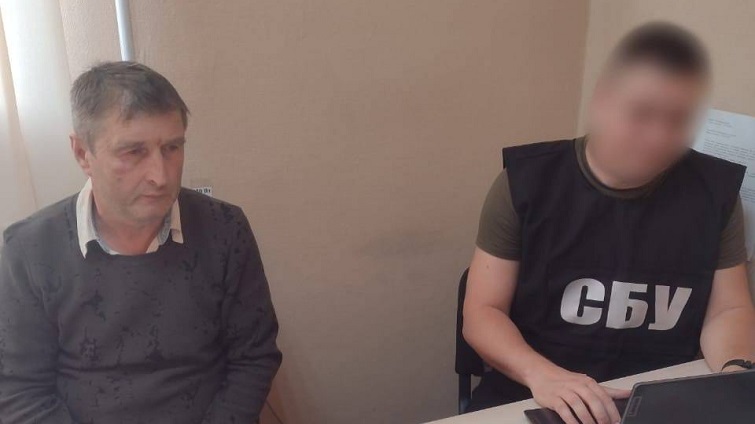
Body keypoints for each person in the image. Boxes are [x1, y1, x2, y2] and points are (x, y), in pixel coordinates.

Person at [463, 22, 755, 424]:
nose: (659, 137)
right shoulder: (526, 183)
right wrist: (541, 375)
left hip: (654, 394)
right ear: (602, 101)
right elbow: (483, 312)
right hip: (536, 389)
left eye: (678, 120)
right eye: (642, 114)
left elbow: (729, 309)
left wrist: (736, 378)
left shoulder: (714, 193)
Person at [0, 62, 281, 423]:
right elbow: (19, 389)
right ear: (82, 153)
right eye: (133, 152)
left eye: (172, 147)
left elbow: (254, 357)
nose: (160, 176)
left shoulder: (224, 229)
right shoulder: (29, 250)